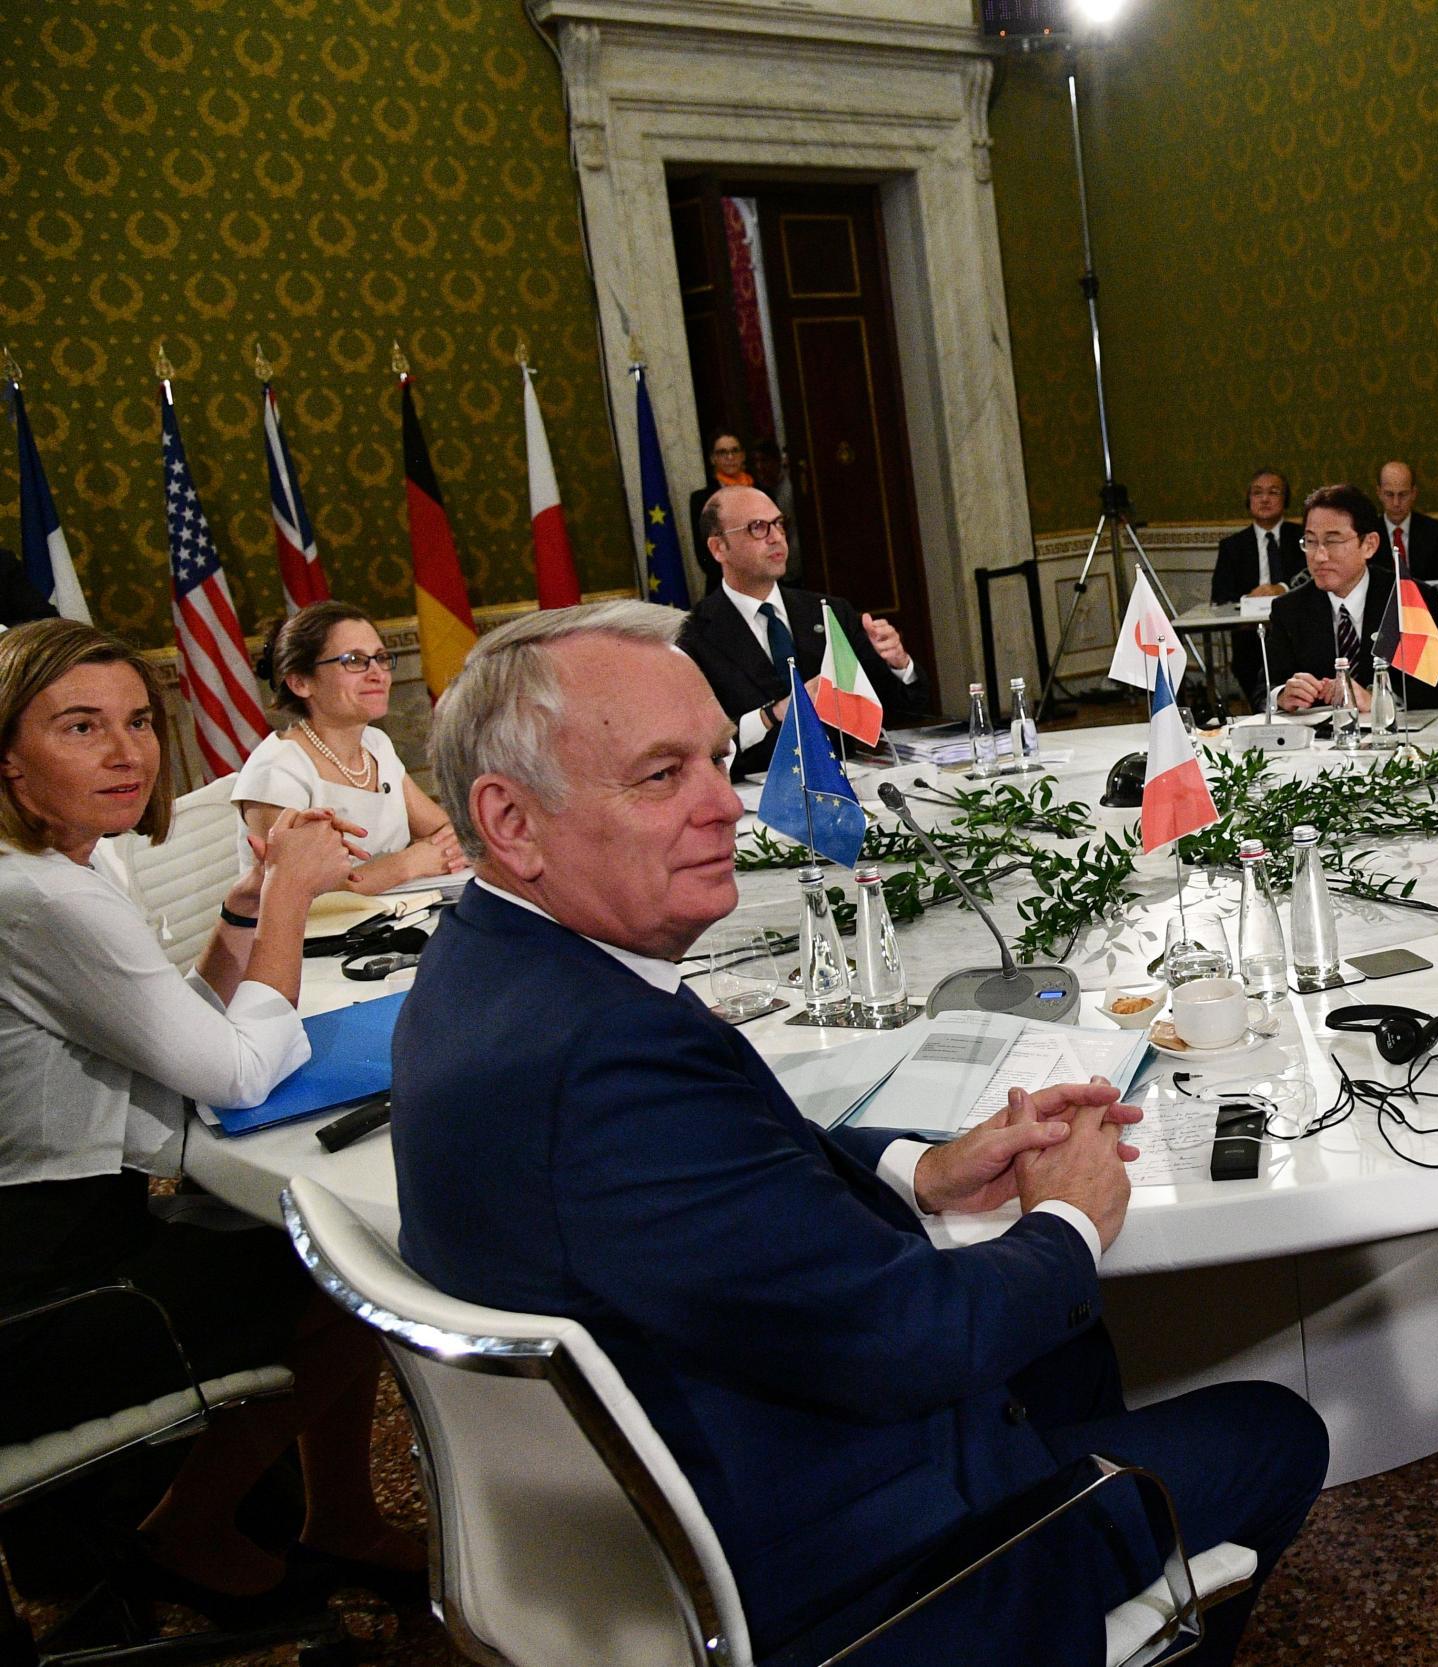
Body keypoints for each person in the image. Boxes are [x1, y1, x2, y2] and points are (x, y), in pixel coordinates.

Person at [393, 602, 1326, 1667]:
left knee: (1063, 1344)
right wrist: (1069, 1216)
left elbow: (730, 1155)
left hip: (682, 1466)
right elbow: (905, 1338)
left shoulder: (499, 966)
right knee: (1273, 1432)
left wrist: (923, 1168)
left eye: (712, 758)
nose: (725, 806)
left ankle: (1057, 1501)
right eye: (662, 777)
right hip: (841, 1577)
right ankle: (1039, 1575)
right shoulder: (601, 1060)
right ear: (510, 820)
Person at [0, 619, 422, 1625]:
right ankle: (187, 1522)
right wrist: (285, 898)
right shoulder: (42, 896)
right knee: (348, 1263)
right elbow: (232, 1073)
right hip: (41, 1281)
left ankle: (339, 1516)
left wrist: (239, 919)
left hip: (71, 1226)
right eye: (80, 726)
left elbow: (168, 1021)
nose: (127, 751)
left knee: (313, 1242)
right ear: (9, 758)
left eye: (140, 720)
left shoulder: (72, 864)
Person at [678, 485, 923, 779]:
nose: (776, 537)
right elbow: (702, 746)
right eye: (758, 527)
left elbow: (902, 709)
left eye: (779, 524)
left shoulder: (829, 611)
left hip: (845, 785)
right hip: (756, 797)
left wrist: (899, 664)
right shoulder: (692, 636)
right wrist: (776, 712)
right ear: (718, 548)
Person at [233, 602, 468, 891]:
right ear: (300, 682)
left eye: (380, 658)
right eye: (354, 660)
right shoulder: (276, 772)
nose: (377, 673)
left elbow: (446, 832)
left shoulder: (376, 744)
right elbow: (299, 891)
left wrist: (442, 850)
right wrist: (408, 864)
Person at [1266, 483, 1438, 713]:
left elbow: (1437, 693)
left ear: (1369, 545)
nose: (1320, 556)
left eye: (1332, 541)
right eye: (1311, 542)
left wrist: (1377, 700)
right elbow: (1263, 686)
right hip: (1319, 744)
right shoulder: (1289, 608)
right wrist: (1282, 695)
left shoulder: (1407, 600)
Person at [1211, 469, 1303, 705]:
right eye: (1257, 493)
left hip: (1298, 629)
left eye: (1273, 492)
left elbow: (1314, 580)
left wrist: (1282, 588)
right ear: (1248, 500)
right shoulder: (1232, 546)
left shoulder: (1303, 537)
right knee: (1250, 668)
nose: (1264, 499)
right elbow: (1220, 596)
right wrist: (1249, 598)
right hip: (1250, 633)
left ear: (1286, 499)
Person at [689, 432, 752, 595]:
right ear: (712, 459)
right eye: (722, 452)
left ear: (743, 455)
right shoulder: (701, 499)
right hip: (722, 584)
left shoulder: (762, 492)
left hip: (761, 578)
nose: (730, 457)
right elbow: (703, 550)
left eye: (734, 451)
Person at [1377, 460, 1438, 587]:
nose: (1396, 503)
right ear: (1379, 493)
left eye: (1403, 494)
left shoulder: (1436, 532)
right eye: (1389, 495)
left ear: (1414, 493)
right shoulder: (1367, 533)